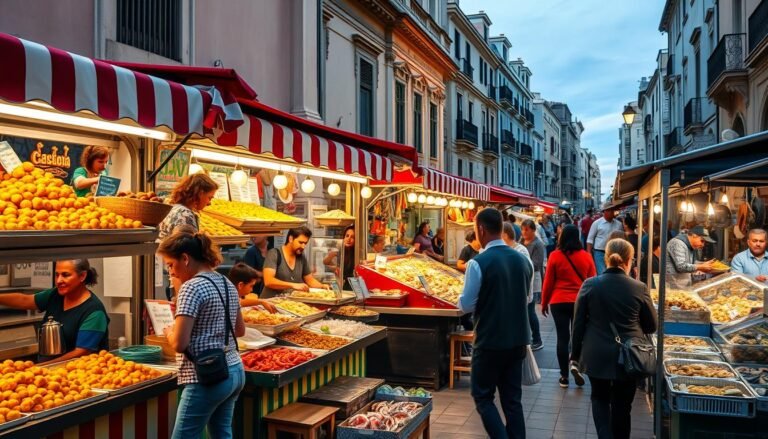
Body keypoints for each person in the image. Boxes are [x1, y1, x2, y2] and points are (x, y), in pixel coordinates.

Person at [159, 229, 245, 438]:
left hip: (207, 377)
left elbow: (179, 344)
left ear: (185, 258)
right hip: (234, 369)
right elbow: (239, 330)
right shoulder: (226, 282)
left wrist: (169, 331)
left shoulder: (191, 287)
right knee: (222, 434)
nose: (171, 272)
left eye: (171, 265)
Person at [457, 208, 533, 439]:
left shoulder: (477, 263)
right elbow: (527, 298)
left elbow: (466, 305)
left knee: (483, 397)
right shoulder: (523, 260)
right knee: (512, 401)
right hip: (518, 340)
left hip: (490, 340)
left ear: (481, 229)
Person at [571, 238, 657, 439]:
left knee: (599, 399)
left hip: (596, 354)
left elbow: (578, 325)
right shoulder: (639, 287)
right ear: (629, 260)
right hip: (629, 356)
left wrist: (574, 355)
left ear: (606, 258)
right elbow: (651, 325)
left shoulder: (590, 285)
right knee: (623, 406)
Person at [0, 259, 108, 364]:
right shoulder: (55, 295)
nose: (59, 281)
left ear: (82, 276)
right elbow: (25, 300)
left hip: (76, 371)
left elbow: (81, 353)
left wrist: (41, 367)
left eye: (65, 275)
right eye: (57, 275)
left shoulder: (94, 311)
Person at [541, 224, 596, 387]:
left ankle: (564, 377)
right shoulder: (586, 257)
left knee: (562, 338)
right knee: (578, 336)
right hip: (580, 301)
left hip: (558, 301)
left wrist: (544, 302)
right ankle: (576, 365)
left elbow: (548, 282)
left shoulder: (554, 256)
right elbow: (593, 282)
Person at [262, 226, 329, 298]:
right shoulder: (274, 254)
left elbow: (309, 280)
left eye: (305, 243)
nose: (303, 246)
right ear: (290, 239)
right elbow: (268, 281)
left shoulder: (301, 257)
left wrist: (322, 286)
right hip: (270, 301)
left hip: (287, 302)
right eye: (300, 242)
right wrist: (293, 285)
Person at [158, 173, 219, 240]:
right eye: (209, 198)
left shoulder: (175, 207)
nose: (209, 203)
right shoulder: (185, 215)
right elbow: (186, 244)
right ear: (200, 194)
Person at [521, 219, 545, 351]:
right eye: (523, 229)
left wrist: (521, 265)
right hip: (522, 278)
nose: (524, 232)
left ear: (533, 230)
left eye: (527, 230)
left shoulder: (538, 244)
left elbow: (536, 264)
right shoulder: (520, 241)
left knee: (530, 310)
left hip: (533, 279)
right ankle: (527, 338)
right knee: (525, 311)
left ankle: (537, 339)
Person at [586, 206, 624, 275]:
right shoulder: (597, 223)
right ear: (604, 212)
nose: (612, 212)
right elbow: (590, 239)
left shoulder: (618, 224)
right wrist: (589, 254)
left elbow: (621, 238)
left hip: (614, 253)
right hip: (599, 252)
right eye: (609, 210)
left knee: (613, 273)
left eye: (612, 210)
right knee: (602, 273)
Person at [323, 225, 356, 290]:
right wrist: (330, 256)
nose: (349, 239)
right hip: (339, 283)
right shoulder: (340, 249)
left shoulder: (356, 253)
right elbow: (325, 262)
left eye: (352, 237)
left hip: (352, 286)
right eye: (347, 236)